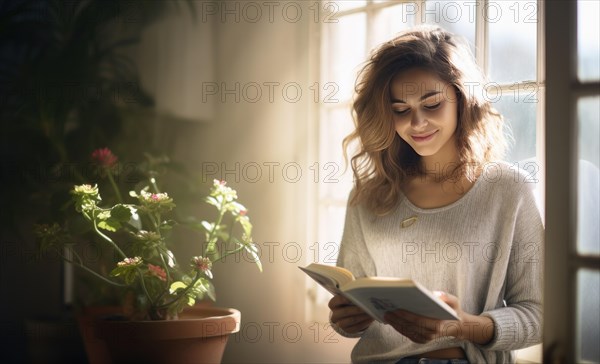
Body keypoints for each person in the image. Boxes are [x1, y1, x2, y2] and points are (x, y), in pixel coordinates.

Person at [328, 26, 544, 364]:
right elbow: (354, 316)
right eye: (400, 110)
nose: (417, 123)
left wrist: (462, 327)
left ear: (462, 98)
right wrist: (346, 319)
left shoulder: (507, 190)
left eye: (431, 104)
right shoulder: (371, 195)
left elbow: (539, 315)